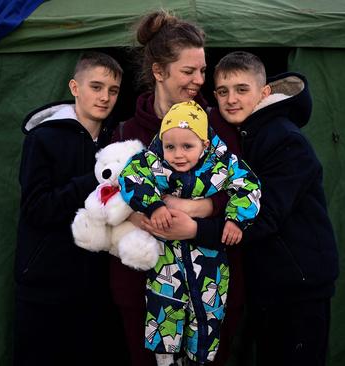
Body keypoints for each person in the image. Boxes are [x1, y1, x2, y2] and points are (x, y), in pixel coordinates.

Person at [110, 9, 245, 366]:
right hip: (140, 287)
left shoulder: (216, 126)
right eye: (188, 71)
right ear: (158, 71)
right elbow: (105, 198)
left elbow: (240, 190)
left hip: (207, 285)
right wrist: (137, 214)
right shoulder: (126, 133)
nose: (199, 79)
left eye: (202, 70)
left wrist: (199, 210)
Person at [200, 51, 340, 365]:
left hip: (298, 288)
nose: (231, 99)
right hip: (267, 284)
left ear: (264, 93)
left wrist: (197, 227)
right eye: (223, 91)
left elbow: (265, 214)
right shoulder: (244, 135)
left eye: (241, 89)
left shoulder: (284, 139)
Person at [118, 101, 261, 365]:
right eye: (170, 146)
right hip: (165, 265)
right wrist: (154, 205)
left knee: (206, 319)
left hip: (210, 265)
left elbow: (249, 186)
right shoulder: (153, 163)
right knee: (165, 317)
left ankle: (201, 357)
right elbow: (130, 177)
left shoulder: (221, 165)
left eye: (187, 146)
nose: (178, 154)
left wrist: (235, 220)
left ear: (204, 145)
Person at [14, 51, 125, 366]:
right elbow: (37, 208)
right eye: (96, 87)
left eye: (113, 90)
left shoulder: (115, 140)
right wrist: (92, 180)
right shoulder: (43, 138)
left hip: (96, 284)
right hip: (46, 281)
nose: (104, 97)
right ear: (75, 87)